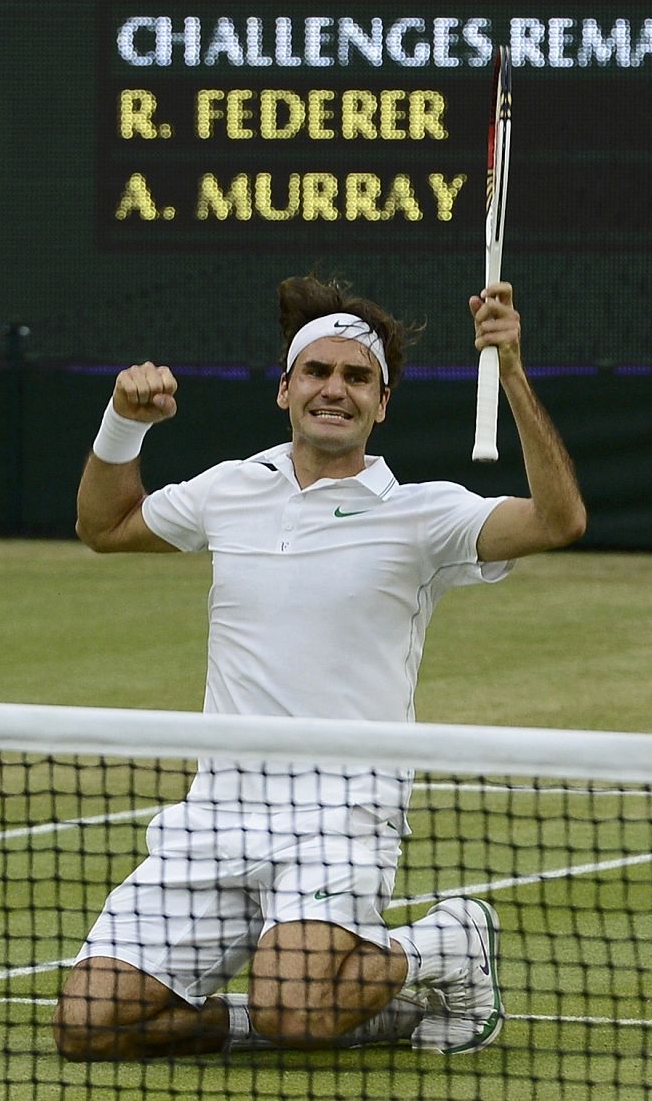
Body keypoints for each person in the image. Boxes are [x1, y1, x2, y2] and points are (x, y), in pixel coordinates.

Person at [53, 274, 586, 1061]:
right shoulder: (229, 491)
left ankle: (448, 944)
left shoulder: (422, 515)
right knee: (88, 1025)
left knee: (298, 1013)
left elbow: (558, 519)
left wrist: (509, 370)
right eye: (317, 372)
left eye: (357, 378)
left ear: (382, 403)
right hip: (216, 816)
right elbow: (104, 525)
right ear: (286, 388)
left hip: (340, 816)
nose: (335, 389)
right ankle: (334, 1012)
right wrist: (122, 424)